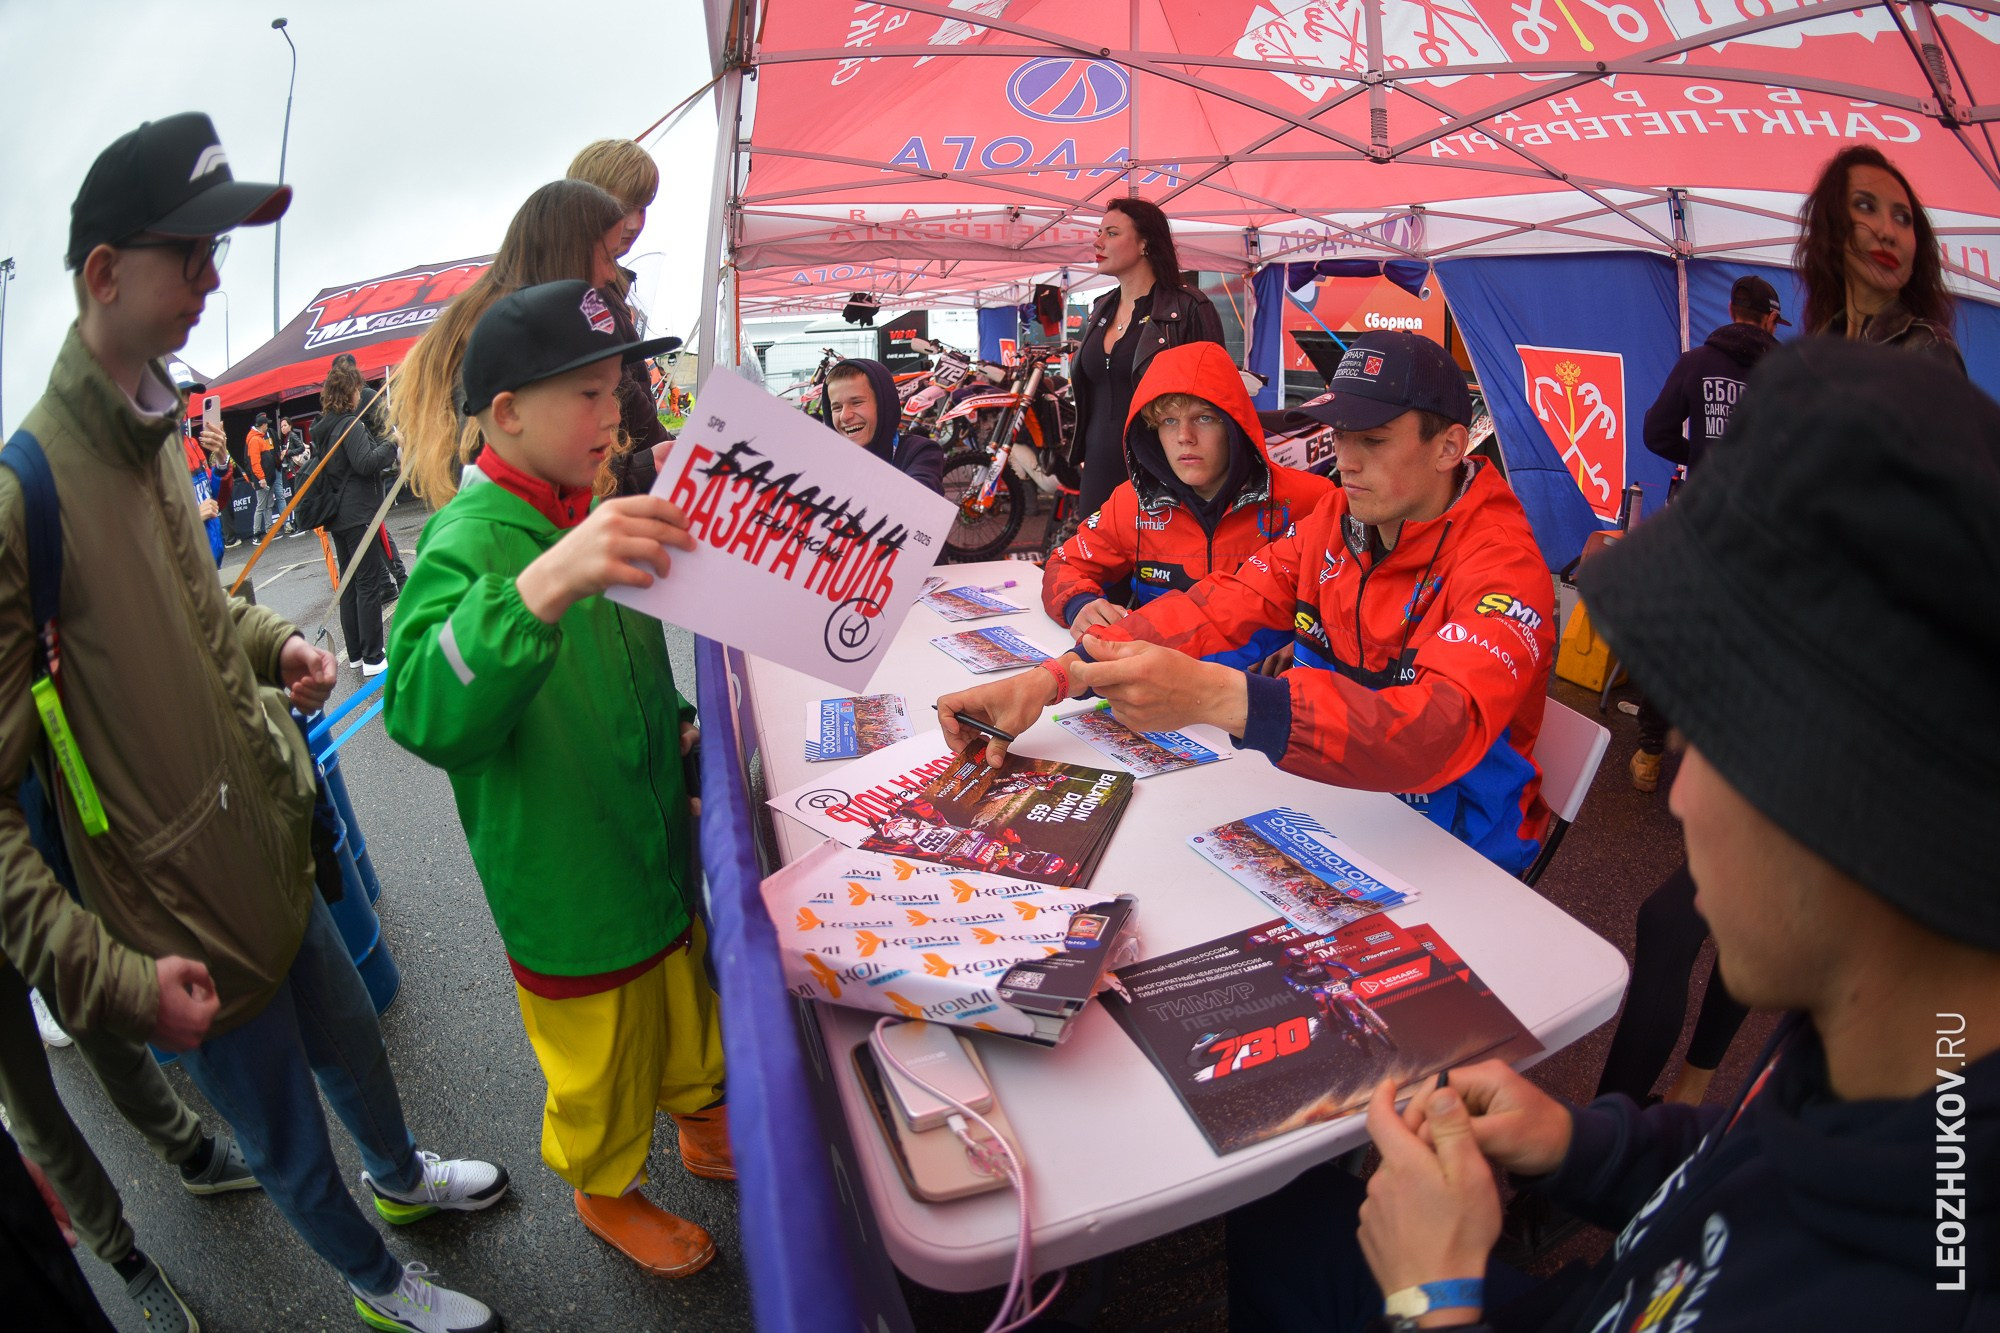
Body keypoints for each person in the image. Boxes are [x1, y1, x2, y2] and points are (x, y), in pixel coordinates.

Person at [1226, 337, 1999, 1332]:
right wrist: (1580, 1145)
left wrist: (1435, 1299)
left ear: (1862, 797)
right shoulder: (1879, 1052)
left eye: (1710, 739)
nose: (1672, 799)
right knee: (1282, 1224)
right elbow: (1746, 1165)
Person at [1, 111, 506, 1333]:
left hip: (275, 845)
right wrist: (110, 978)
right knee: (283, 1133)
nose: (214, 279)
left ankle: (399, 1184)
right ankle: (380, 1288)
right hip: (173, 922)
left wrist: (270, 641)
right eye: (194, 253)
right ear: (104, 273)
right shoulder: (24, 497)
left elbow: (195, 616)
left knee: (358, 1046)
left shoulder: (157, 424)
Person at [383, 280, 729, 1278]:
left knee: (685, 1007)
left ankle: (702, 1127)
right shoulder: (469, 537)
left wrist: (678, 726)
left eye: (616, 388)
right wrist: (543, 585)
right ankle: (602, 1190)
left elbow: (624, 660)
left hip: (650, 841)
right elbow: (417, 705)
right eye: (586, 393)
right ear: (506, 414)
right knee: (601, 1065)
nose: (613, 411)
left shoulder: (593, 506)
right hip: (568, 885)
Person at [942, 331, 1557, 876]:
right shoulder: (1337, 520)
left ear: (1451, 447)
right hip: (1340, 808)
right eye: (1341, 436)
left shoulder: (1501, 564)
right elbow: (1217, 609)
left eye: (1373, 439)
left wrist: (1219, 698)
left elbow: (1433, 732)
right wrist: (1053, 678)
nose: (1346, 460)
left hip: (1465, 849)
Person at [1043, 341, 1334, 668]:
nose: (1185, 436)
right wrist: (1079, 603)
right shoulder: (1131, 502)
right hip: (1157, 687)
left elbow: (1354, 599)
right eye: (1168, 421)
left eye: (1204, 418)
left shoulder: (1312, 499)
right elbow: (1065, 564)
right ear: (1152, 431)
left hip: (1255, 699)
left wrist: (1305, 640)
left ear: (1233, 425)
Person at [395, 179, 632, 507]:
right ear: (569, 252)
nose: (611, 275)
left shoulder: (478, 319)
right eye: (608, 256)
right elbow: (506, 470)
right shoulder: (501, 335)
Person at [1071, 196, 1226, 520]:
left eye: (1111, 233)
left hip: (1161, 474)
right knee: (1094, 567)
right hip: (1098, 471)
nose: (1097, 241)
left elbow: (1218, 400)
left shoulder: (1189, 308)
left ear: (1145, 243)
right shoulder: (1100, 308)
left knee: (1155, 570)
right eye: (1099, 232)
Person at [565, 139, 683, 497]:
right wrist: (663, 457)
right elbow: (621, 389)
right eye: (621, 207)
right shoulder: (575, 290)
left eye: (643, 208)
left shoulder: (607, 284)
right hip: (599, 490)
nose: (633, 223)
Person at [1795, 145, 1963, 370]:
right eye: (1866, 206)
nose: (1888, 232)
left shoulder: (1926, 348)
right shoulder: (1812, 353)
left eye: (1903, 218)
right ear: (1832, 224)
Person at [314, 356, 399, 675]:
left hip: (338, 515)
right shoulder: (349, 425)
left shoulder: (322, 428)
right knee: (366, 584)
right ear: (348, 391)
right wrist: (392, 444)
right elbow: (365, 462)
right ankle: (374, 656)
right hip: (358, 512)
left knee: (349, 583)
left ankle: (356, 654)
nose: (359, 394)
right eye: (357, 389)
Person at [819, 357, 945, 494]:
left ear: (884, 405)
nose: (845, 416)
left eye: (857, 403)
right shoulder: (823, 460)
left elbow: (921, 502)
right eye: (836, 408)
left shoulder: (918, 452)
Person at [246, 411, 274, 536]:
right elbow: (255, 462)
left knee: (268, 505)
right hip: (262, 480)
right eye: (266, 424)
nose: (267, 426)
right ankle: (256, 533)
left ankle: (269, 529)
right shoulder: (255, 440)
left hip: (267, 478)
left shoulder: (258, 438)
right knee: (261, 506)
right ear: (262, 425)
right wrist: (261, 478)